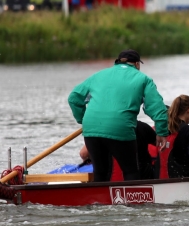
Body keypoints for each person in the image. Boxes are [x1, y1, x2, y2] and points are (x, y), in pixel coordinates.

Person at [68, 49, 168, 182]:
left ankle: (98, 201)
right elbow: (156, 107)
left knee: (100, 172)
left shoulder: (98, 75)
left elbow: (74, 98)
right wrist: (161, 131)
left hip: (91, 129)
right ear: (137, 64)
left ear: (117, 62)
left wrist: (82, 119)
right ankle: (134, 202)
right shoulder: (143, 79)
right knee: (131, 170)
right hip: (121, 128)